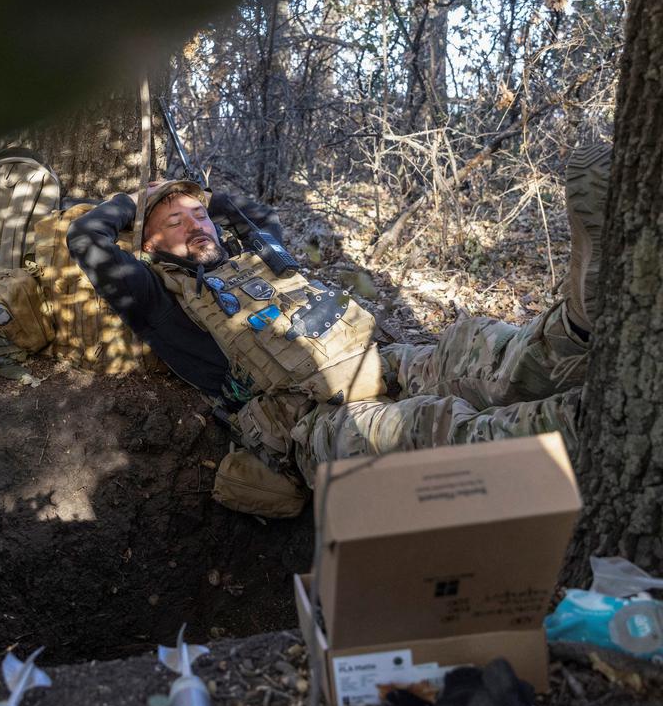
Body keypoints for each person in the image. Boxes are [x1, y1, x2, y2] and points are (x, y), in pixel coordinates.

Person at [66, 142, 610, 517]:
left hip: (375, 362)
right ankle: (588, 423)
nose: (196, 224)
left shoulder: (259, 255)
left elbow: (247, 210)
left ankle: (578, 327)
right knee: (423, 427)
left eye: (199, 215)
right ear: (149, 246)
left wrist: (201, 198)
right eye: (175, 222)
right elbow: (87, 238)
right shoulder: (157, 299)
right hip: (311, 421)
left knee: (473, 348)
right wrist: (141, 198)